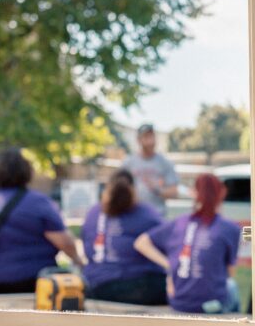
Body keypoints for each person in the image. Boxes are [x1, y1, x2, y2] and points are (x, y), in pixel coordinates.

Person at [0, 147, 82, 294]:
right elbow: (64, 242)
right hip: (27, 281)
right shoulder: (37, 202)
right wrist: (77, 260)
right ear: (26, 172)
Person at [134, 173, 242, 315]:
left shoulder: (179, 223)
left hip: (179, 303)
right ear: (221, 194)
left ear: (193, 193)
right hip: (211, 305)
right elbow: (230, 274)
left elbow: (141, 243)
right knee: (232, 287)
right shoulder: (229, 228)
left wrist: (170, 265)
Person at [80, 170, 167, 305]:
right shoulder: (145, 213)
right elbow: (168, 242)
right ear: (134, 189)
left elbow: (86, 247)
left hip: (96, 284)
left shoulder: (93, 212)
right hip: (137, 285)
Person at [121, 123, 179, 215]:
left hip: (157, 216)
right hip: (133, 215)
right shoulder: (128, 163)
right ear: (139, 140)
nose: (150, 141)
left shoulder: (165, 163)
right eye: (146, 137)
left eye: (152, 136)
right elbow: (119, 189)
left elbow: (174, 192)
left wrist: (157, 189)